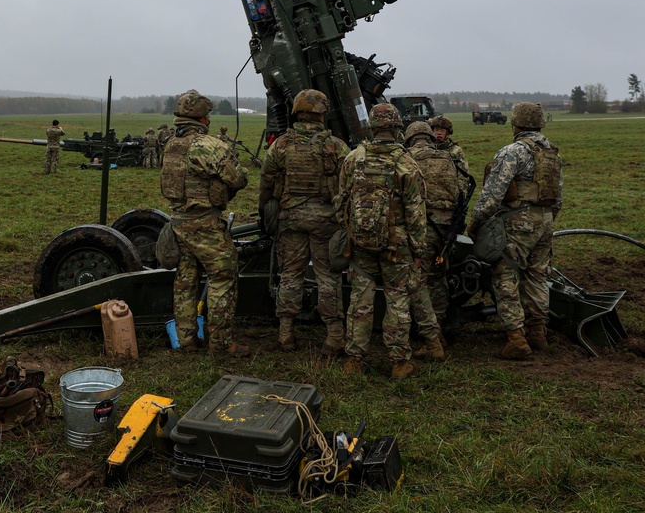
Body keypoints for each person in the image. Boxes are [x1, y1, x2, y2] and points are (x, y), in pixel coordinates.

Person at [334, 102, 438, 378]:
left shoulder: (354, 158)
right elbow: (416, 213)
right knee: (398, 301)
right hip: (397, 245)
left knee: (359, 302)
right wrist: (418, 249)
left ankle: (353, 360)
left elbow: (341, 200)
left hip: (361, 242)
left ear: (372, 127)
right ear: (396, 127)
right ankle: (399, 362)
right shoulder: (406, 163)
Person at [466, 102, 563, 359]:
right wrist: (546, 219)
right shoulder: (553, 152)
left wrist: (475, 223)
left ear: (515, 123)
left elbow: (492, 194)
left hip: (518, 222)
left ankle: (516, 339)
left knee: (504, 275)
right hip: (545, 222)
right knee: (538, 277)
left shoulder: (513, 152)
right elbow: (558, 197)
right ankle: (538, 333)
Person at [159, 89, 250, 357]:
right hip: (205, 223)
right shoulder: (207, 145)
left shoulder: (171, 145)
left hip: (178, 221)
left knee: (186, 280)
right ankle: (221, 344)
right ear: (204, 118)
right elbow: (239, 178)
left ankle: (186, 339)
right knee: (223, 275)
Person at [258, 89, 349, 354]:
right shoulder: (335, 145)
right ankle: (334, 338)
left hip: (291, 219)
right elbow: (349, 182)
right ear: (322, 114)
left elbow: (267, 181)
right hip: (325, 221)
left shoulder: (282, 144)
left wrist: (264, 211)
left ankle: (286, 334)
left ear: (297, 113)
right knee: (327, 277)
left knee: (290, 275)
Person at [403, 120, 468, 357]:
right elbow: (461, 189)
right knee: (438, 277)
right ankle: (439, 329)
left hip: (422, 225)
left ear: (409, 138)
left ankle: (429, 336)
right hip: (446, 228)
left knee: (417, 280)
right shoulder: (447, 158)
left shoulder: (407, 158)